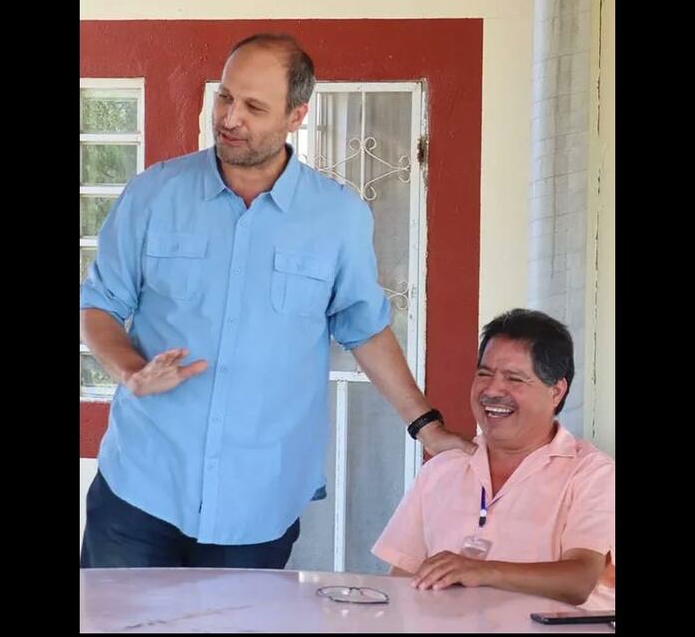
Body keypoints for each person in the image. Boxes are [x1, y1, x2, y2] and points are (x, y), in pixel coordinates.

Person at [79, 32, 474, 570]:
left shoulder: (338, 217)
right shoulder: (153, 194)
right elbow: (98, 303)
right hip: (141, 488)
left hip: (259, 500)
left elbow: (365, 328)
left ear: (296, 115)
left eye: (254, 106)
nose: (230, 118)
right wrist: (130, 370)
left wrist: (426, 425)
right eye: (225, 97)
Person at [371, 308, 615, 609]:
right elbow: (401, 583)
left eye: (514, 379)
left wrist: (483, 571)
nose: (492, 389)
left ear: (556, 390)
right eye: (484, 374)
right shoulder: (444, 468)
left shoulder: (592, 473)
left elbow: (578, 581)